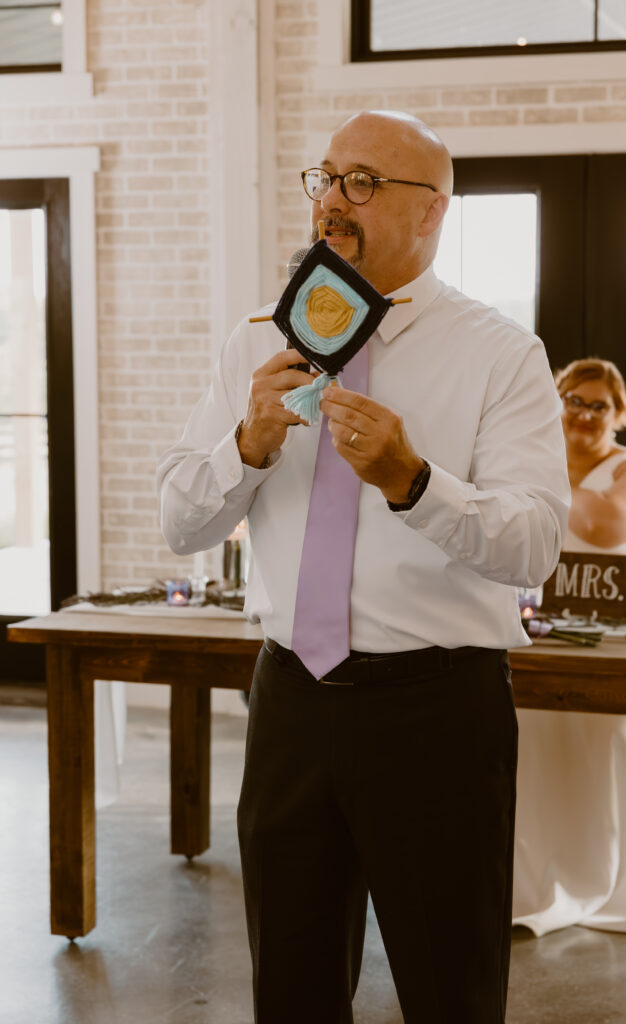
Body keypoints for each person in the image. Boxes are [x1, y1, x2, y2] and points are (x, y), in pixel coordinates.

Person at [157, 110, 570, 1023]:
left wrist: (413, 481)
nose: (334, 203)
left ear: (432, 212)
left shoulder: (501, 355)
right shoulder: (256, 339)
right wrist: (248, 443)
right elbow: (179, 519)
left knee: (447, 984)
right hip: (290, 702)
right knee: (291, 987)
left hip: (439, 711)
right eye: (327, 178)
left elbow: (535, 541)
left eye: (365, 183)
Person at [513, 357, 626, 937]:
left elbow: (609, 523)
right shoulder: (533, 457)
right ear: (554, 400)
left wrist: (525, 474)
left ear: (620, 414)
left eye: (599, 405)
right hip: (540, 632)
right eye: (574, 400)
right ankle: (537, 873)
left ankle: (622, 877)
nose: (584, 414)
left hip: (620, 641)